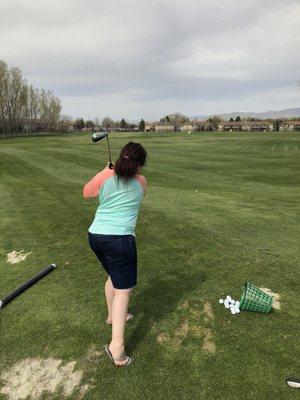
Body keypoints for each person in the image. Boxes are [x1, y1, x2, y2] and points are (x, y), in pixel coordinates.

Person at [83, 141, 147, 367]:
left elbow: (87, 192)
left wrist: (104, 171)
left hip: (96, 236)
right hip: (119, 240)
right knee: (123, 291)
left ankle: (112, 317)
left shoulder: (106, 176)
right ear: (140, 165)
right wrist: (110, 173)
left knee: (113, 276)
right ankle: (117, 349)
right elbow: (133, 186)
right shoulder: (142, 182)